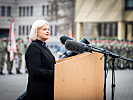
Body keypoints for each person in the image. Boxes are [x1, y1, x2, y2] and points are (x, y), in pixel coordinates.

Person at [25, 19, 56, 100]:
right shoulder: (34, 47)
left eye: (48, 29)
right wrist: (56, 73)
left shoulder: (44, 47)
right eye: (44, 29)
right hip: (38, 92)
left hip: (47, 90)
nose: (48, 31)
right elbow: (35, 71)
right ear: (37, 32)